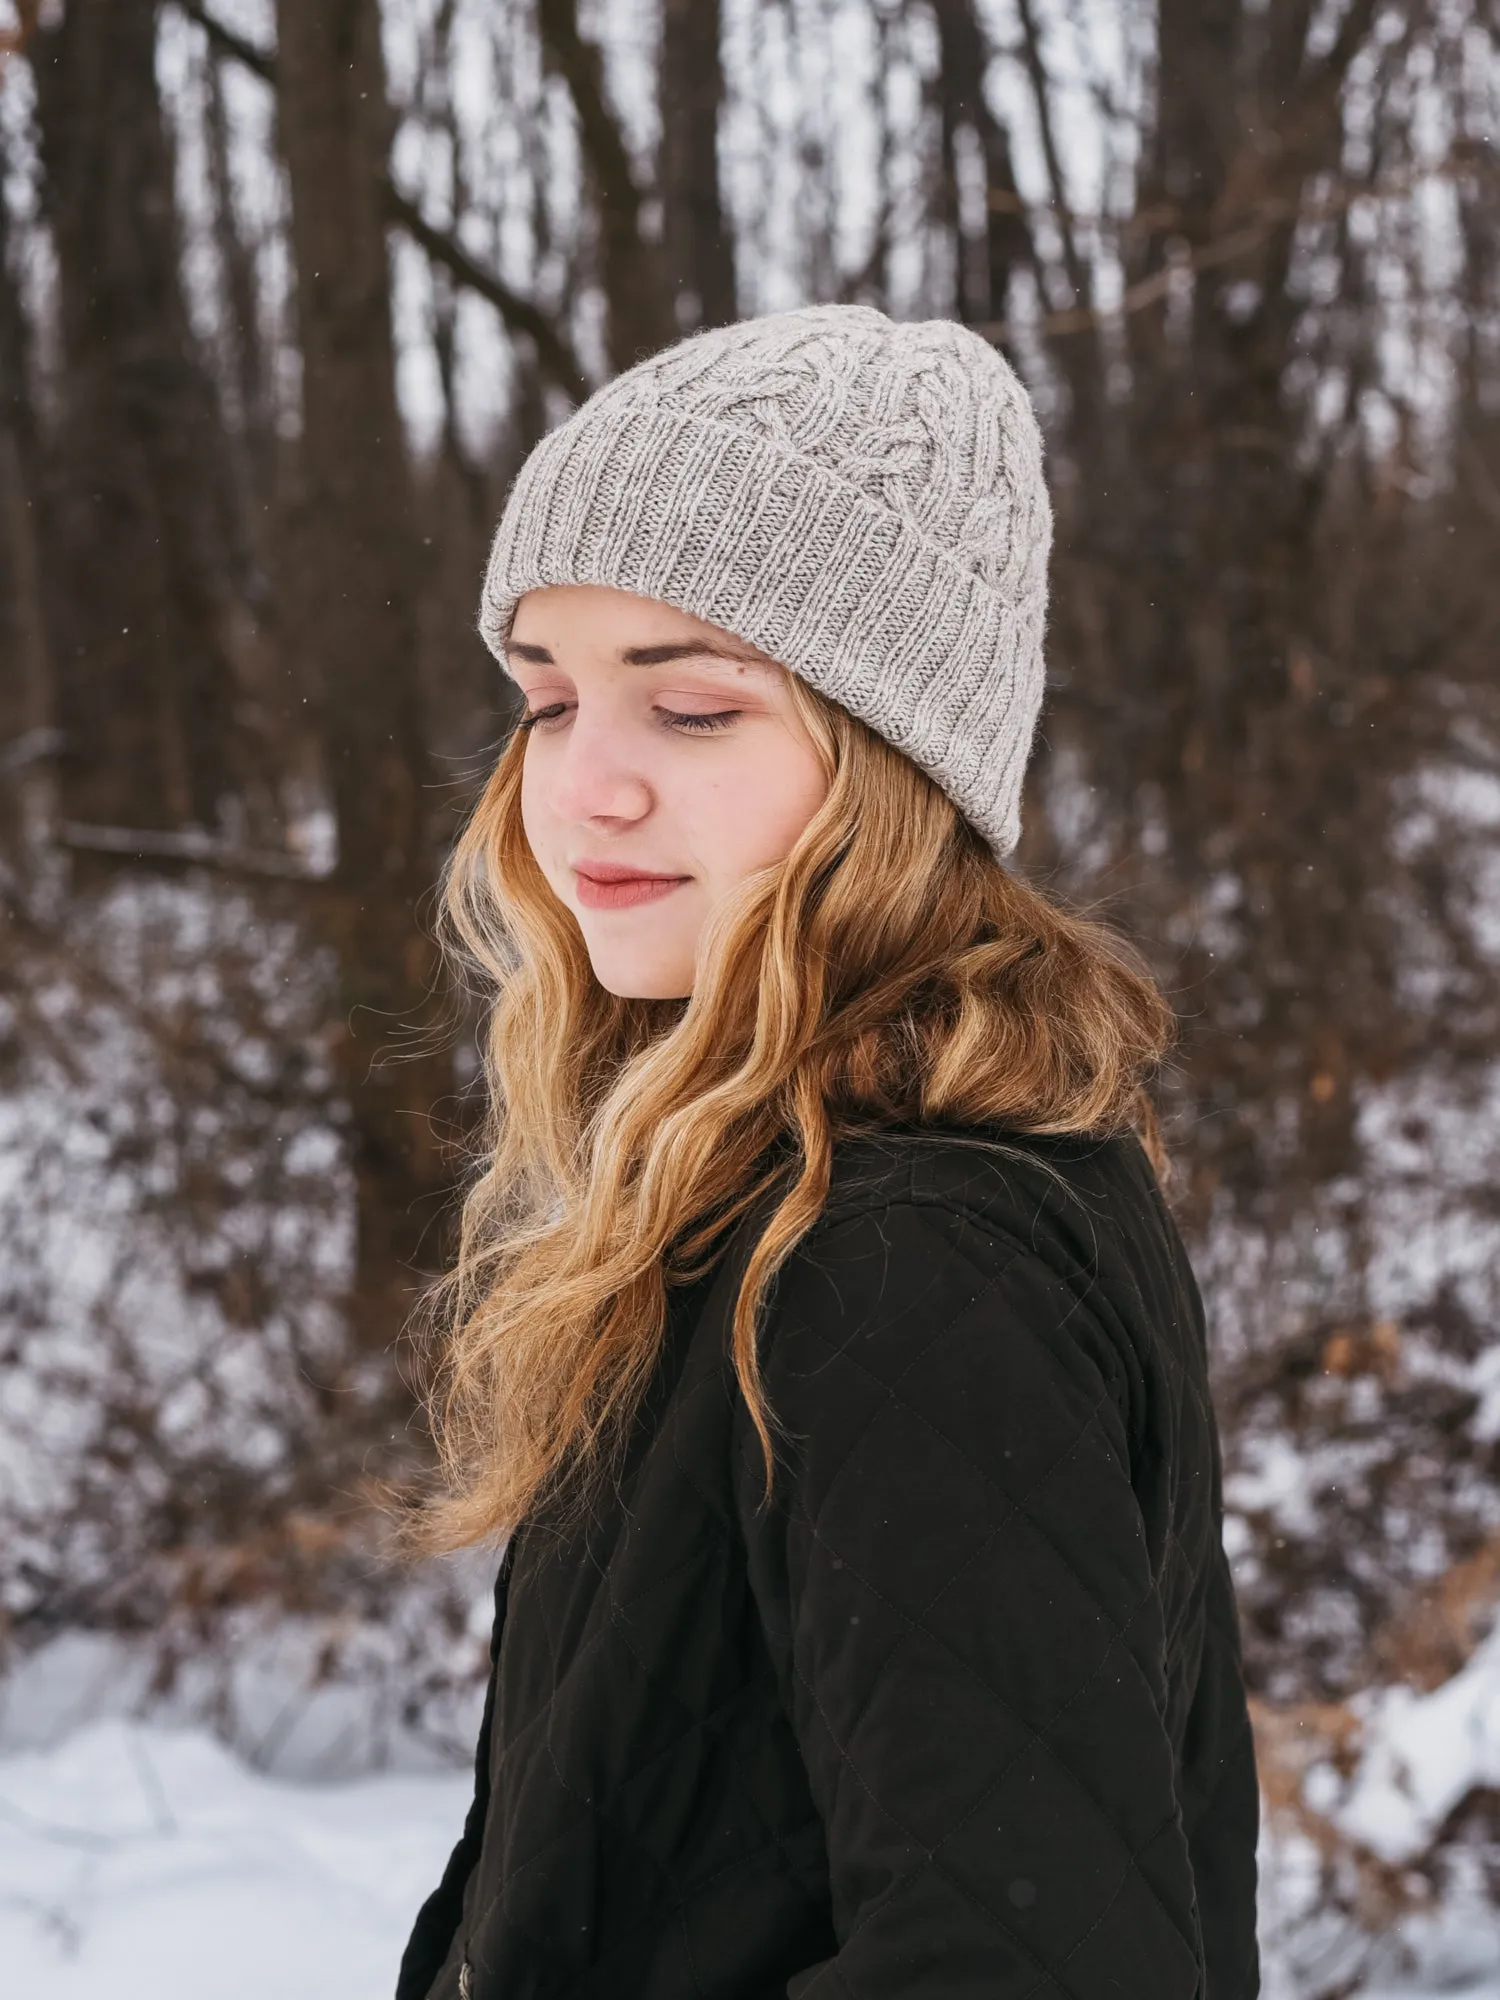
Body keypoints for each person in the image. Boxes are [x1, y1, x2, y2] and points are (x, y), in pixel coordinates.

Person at [396, 303, 1260, 2000]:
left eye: (693, 710)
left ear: (893, 766)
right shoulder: (758, 1194)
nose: (583, 789)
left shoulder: (907, 1257)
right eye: (548, 700)